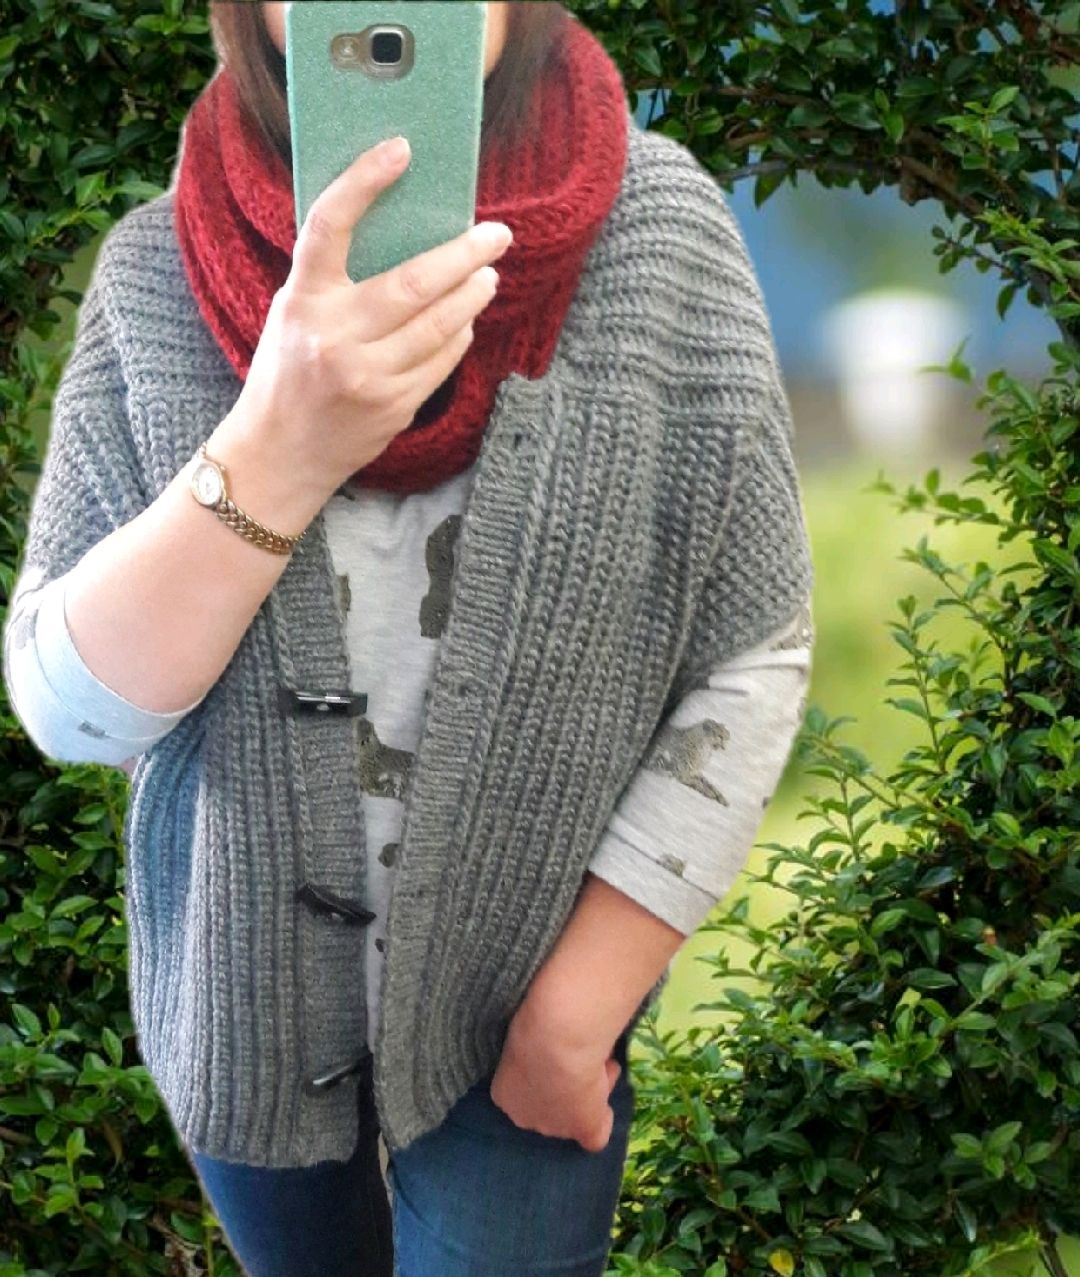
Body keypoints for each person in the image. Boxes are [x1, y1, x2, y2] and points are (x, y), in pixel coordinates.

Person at [2, 2, 815, 1273]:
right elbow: (72, 712)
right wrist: (278, 444)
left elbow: (752, 645)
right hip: (249, 1031)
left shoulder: (658, 239)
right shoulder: (159, 271)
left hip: (528, 1023)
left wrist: (576, 1011)